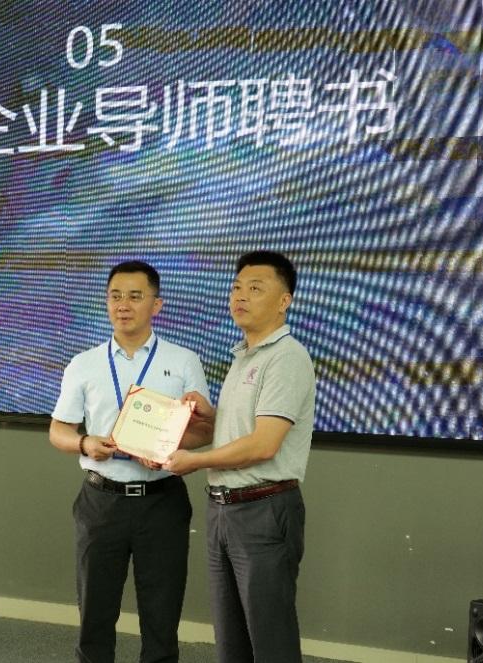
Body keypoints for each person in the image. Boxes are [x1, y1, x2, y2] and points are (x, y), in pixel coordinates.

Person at [49, 260, 211, 663]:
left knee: (162, 613)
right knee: (95, 612)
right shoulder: (83, 364)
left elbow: (204, 431)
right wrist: (85, 443)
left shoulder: (184, 360)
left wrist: (169, 448)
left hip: (162, 501)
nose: (123, 305)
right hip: (101, 501)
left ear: (156, 305)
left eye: (135, 296)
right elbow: (58, 431)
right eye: (115, 296)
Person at [163, 250, 315, 663]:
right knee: (231, 641)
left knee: (270, 639)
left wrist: (194, 461)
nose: (240, 296)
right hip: (223, 510)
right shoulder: (244, 356)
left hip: (263, 510)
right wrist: (209, 417)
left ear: (284, 301)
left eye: (255, 288)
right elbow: (241, 430)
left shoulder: (286, 357)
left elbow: (263, 444)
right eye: (236, 287)